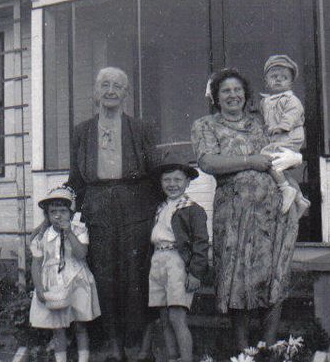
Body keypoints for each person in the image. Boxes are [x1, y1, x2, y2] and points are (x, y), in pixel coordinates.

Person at [191, 68, 302, 352]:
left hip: (272, 210)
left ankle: (270, 346)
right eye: (226, 91)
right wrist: (251, 160)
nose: (233, 95)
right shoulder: (205, 125)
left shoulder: (261, 122)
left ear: (245, 94)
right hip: (234, 213)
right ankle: (244, 351)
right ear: (216, 97)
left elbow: (285, 149)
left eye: (237, 90)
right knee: (237, 276)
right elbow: (209, 163)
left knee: (275, 271)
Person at [65, 67, 160, 361]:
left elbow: (154, 173)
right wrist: (64, 208)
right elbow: (75, 177)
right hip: (97, 204)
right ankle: (114, 346)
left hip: (134, 203)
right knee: (104, 277)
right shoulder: (82, 130)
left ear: (126, 93)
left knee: (135, 275)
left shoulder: (141, 128)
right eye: (104, 84)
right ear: (95, 91)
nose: (110, 90)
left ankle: (137, 347)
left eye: (117, 86)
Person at [29, 186, 101, 362]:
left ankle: (83, 359)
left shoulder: (78, 230)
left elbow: (81, 254)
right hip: (53, 283)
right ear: (47, 214)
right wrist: (39, 287)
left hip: (77, 280)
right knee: (58, 327)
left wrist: (68, 232)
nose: (58, 215)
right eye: (53, 211)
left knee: (80, 324)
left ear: (71, 212)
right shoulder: (43, 236)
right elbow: (36, 263)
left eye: (63, 211)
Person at [148, 161, 210, 362]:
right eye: (167, 180)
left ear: (187, 182)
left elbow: (201, 243)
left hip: (177, 262)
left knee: (176, 316)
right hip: (158, 260)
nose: (172, 184)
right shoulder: (160, 207)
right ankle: (172, 357)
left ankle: (186, 358)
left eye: (177, 179)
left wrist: (195, 272)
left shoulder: (192, 209)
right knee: (164, 318)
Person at [260, 55, 310, 216]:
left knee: (267, 159)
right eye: (274, 77)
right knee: (282, 170)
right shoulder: (267, 101)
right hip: (277, 139)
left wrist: (282, 126)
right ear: (266, 80)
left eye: (284, 78)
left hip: (289, 137)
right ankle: (301, 199)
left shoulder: (290, 99)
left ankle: (285, 189)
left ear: (291, 82)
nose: (278, 80)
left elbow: (293, 114)